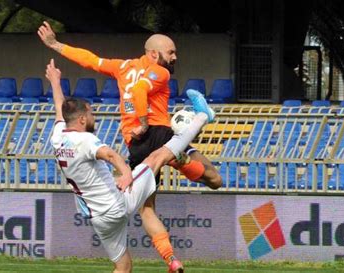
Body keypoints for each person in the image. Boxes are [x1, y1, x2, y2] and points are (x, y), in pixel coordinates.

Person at [38, 22, 222, 267]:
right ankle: (200, 121)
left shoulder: (122, 67)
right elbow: (139, 90)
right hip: (158, 132)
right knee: (215, 180)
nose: (175, 57)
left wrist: (55, 45)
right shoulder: (160, 71)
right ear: (154, 54)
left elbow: (89, 60)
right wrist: (145, 122)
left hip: (135, 144)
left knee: (147, 210)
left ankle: (171, 259)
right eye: (171, 53)